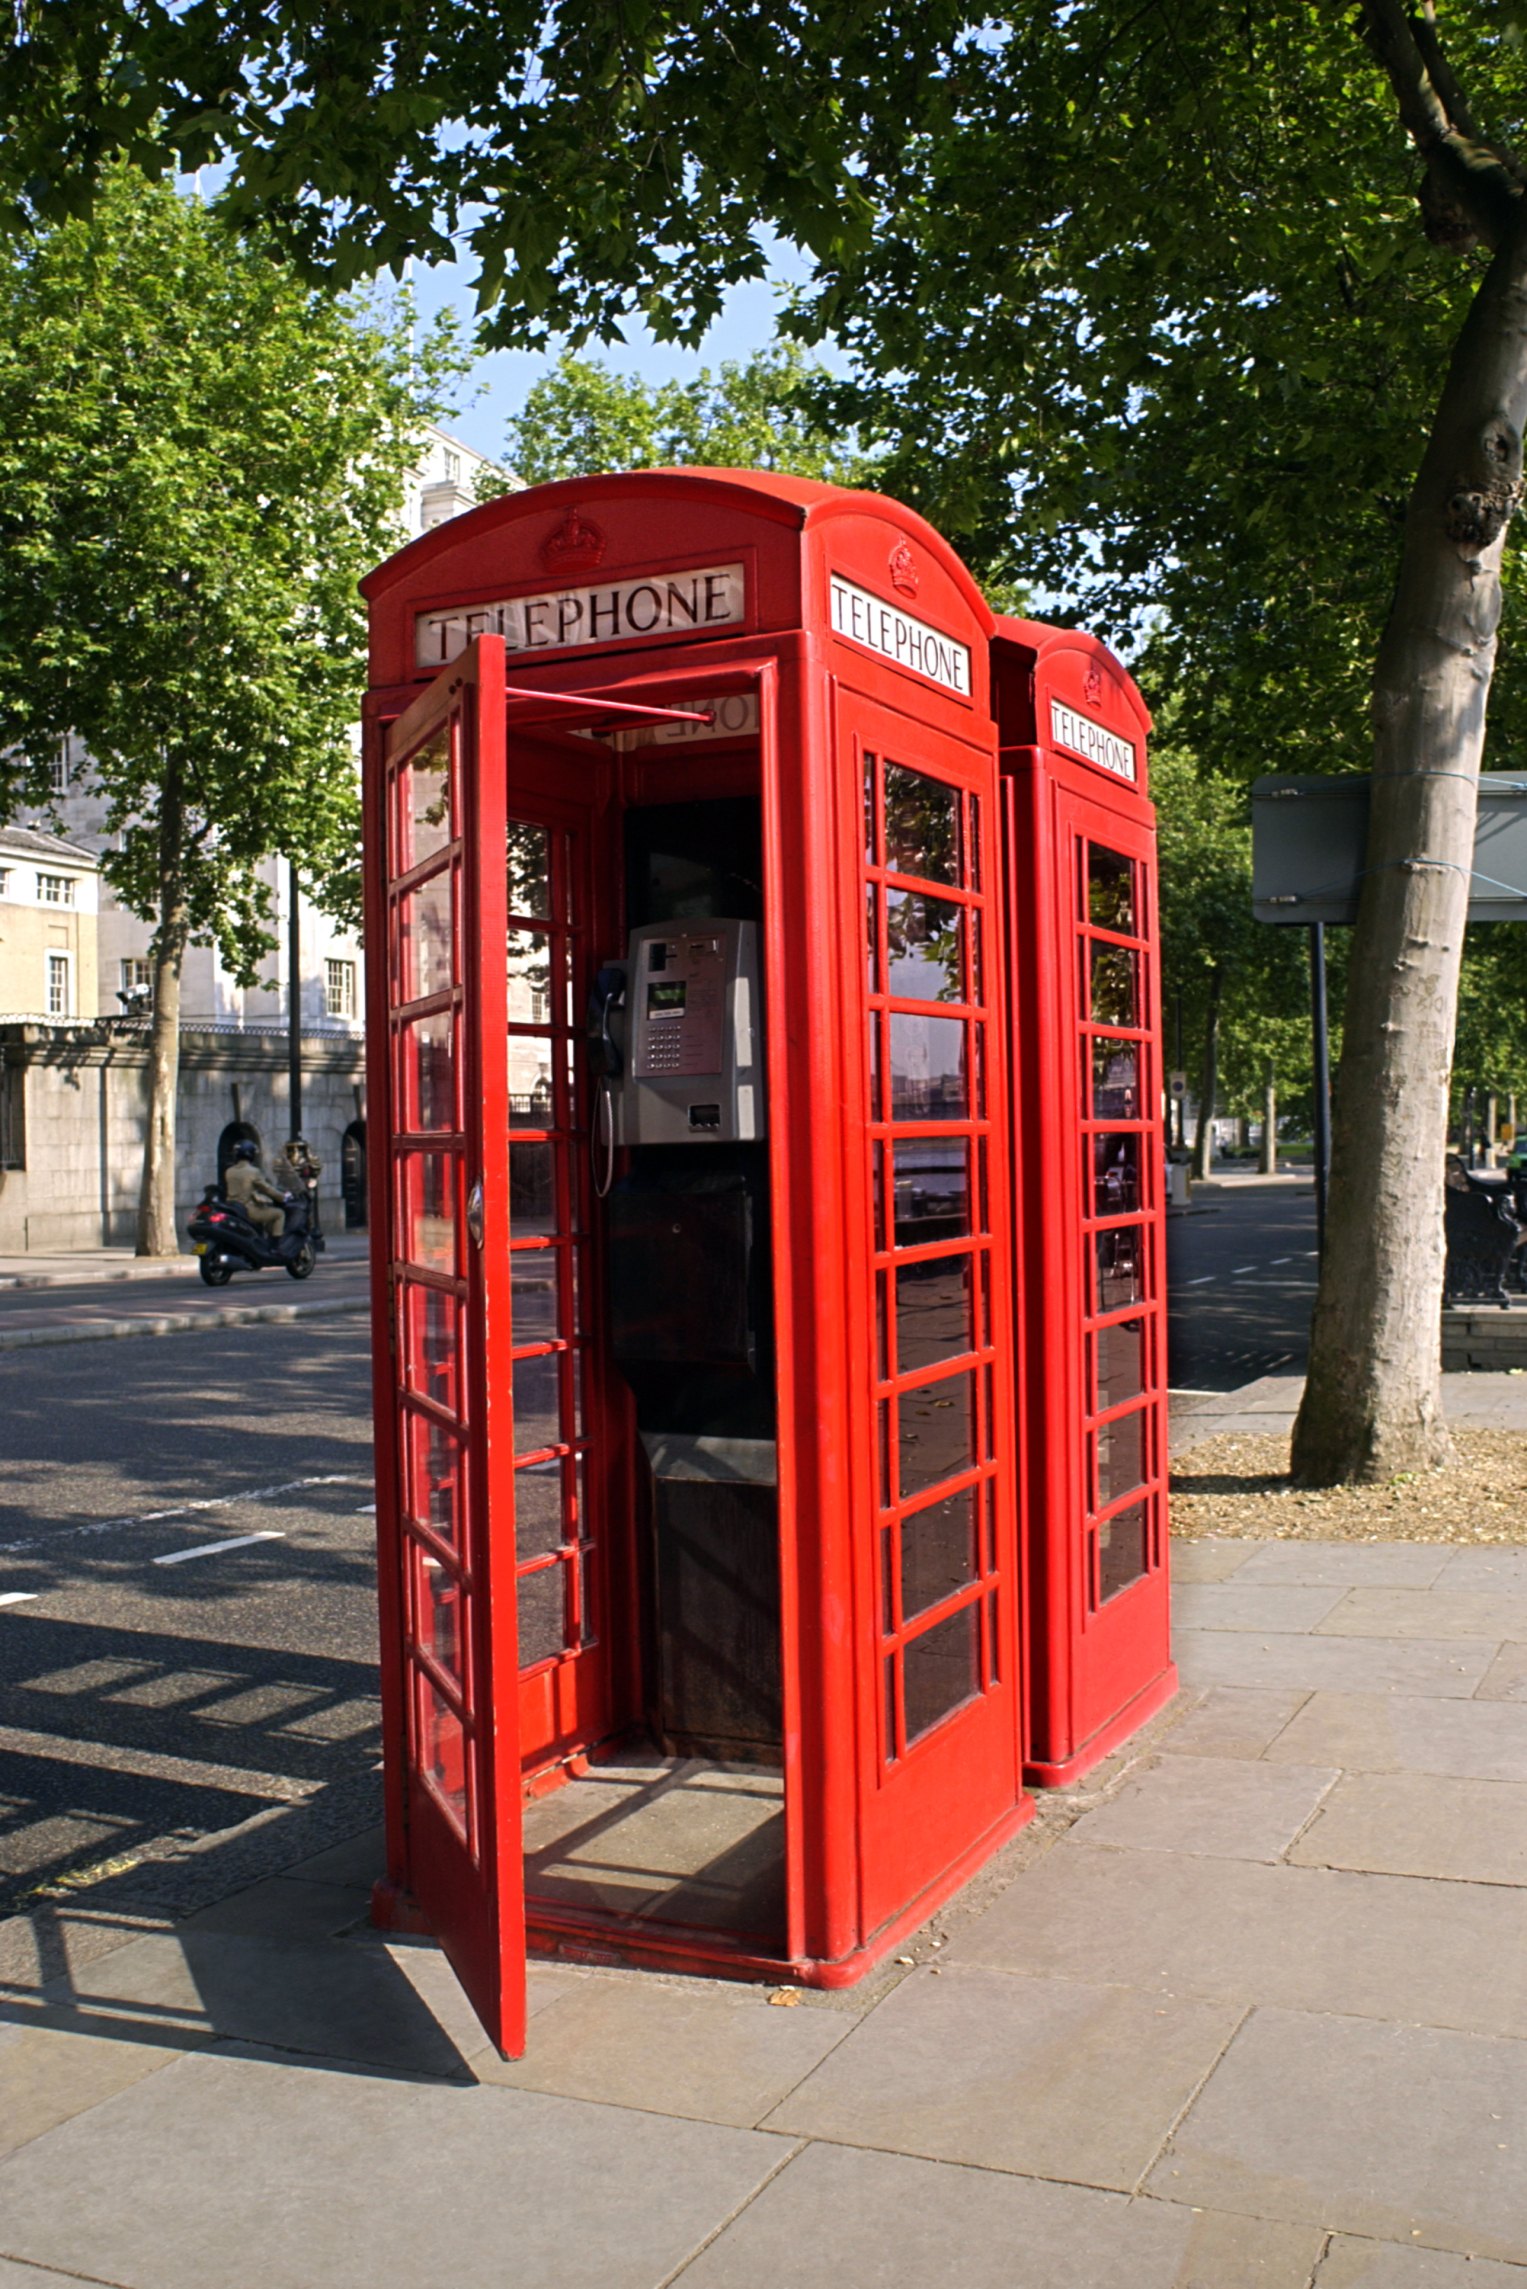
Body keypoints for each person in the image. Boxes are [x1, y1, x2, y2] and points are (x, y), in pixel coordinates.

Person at [224, 1140, 288, 1238]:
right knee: (279, 1214)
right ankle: (277, 1246)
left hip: (233, 1208)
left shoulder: (229, 1171)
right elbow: (267, 1189)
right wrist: (283, 1197)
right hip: (248, 1210)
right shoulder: (253, 1172)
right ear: (251, 1154)